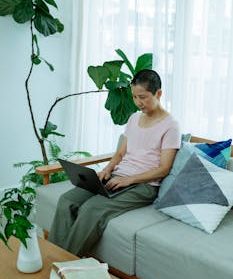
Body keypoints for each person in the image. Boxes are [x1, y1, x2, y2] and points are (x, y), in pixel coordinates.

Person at [48, 69, 180, 256]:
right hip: (118, 176)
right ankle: (53, 256)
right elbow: (120, 153)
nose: (138, 102)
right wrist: (106, 170)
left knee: (92, 208)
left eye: (142, 97)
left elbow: (164, 169)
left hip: (144, 185)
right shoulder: (134, 118)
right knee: (67, 200)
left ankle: (64, 264)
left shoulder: (171, 126)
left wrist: (129, 179)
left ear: (158, 93)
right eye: (134, 97)